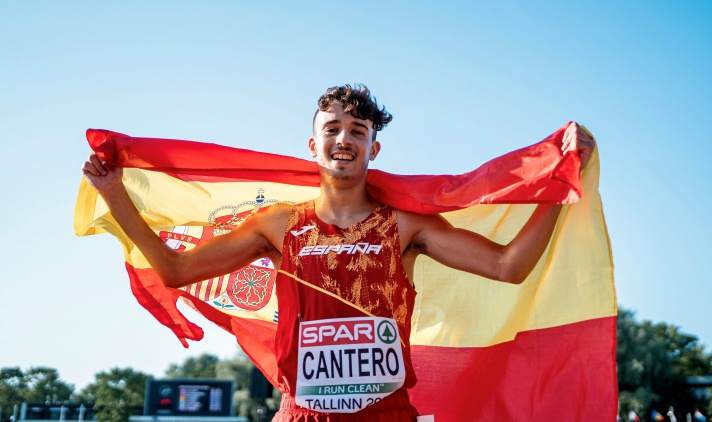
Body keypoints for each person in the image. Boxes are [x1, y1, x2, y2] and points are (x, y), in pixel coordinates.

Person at [82, 84, 595, 421]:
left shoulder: (406, 225)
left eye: (358, 131)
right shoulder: (278, 224)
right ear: (313, 145)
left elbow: (508, 266)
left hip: (387, 413)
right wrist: (114, 195)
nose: (344, 139)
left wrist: (557, 185)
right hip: (302, 413)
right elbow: (173, 271)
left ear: (374, 149)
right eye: (332, 129)